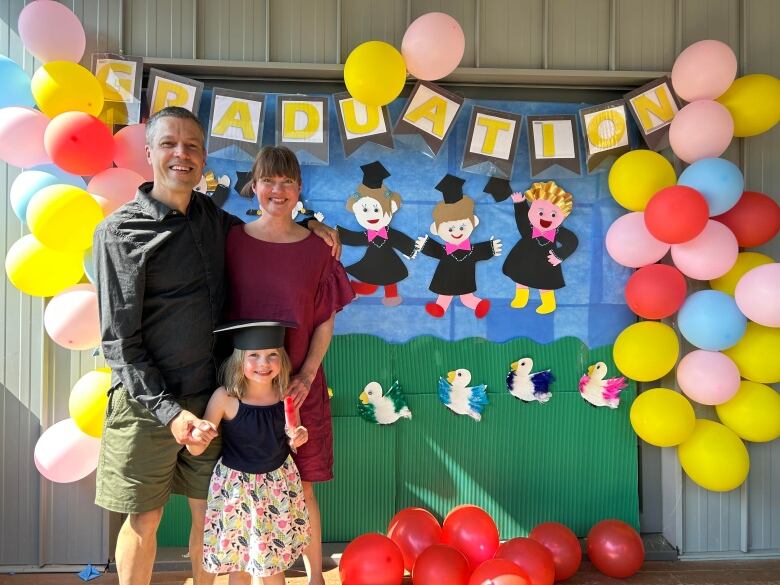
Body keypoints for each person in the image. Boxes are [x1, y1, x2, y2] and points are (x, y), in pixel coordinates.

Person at [92, 106, 339, 585]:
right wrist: (169, 412)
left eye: (192, 146)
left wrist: (312, 225)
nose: (181, 155)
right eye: (169, 144)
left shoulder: (212, 218)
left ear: (204, 156)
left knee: (212, 516)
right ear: (149, 153)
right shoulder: (120, 232)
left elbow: (270, 225)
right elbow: (119, 343)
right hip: (150, 405)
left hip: (212, 400)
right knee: (144, 519)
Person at [226, 145, 355, 585]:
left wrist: (306, 375)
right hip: (247, 396)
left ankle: (315, 577)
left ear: (299, 189)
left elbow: (324, 320)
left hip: (300, 389)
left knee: (303, 489)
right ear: (254, 186)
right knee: (248, 491)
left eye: (286, 182)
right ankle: (254, 572)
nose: (276, 190)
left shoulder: (318, 250)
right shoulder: (233, 242)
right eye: (268, 181)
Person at [189, 321, 310, 585]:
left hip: (276, 486)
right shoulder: (226, 398)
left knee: (272, 563)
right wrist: (199, 434)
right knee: (239, 562)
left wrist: (300, 435)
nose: (263, 363)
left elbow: (294, 438)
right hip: (236, 489)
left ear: (282, 359)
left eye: (272, 355)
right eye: (253, 355)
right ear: (239, 360)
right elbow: (196, 447)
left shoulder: (285, 396)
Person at [415, 174, 502, 319]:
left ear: (473, 222)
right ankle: (440, 308)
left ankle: (478, 305)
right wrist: (425, 244)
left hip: (465, 277)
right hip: (446, 278)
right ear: (436, 229)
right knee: (444, 296)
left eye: (462, 227)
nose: (457, 232)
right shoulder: (445, 250)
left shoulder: (471, 250)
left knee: (466, 297)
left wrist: (491, 247)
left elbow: (482, 251)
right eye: (450, 229)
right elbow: (435, 249)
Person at [337, 160, 417, 306]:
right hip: (372, 262)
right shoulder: (368, 235)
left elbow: (400, 239)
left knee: (391, 279)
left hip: (390, 261)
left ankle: (390, 295)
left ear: (391, 207)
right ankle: (353, 288)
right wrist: (338, 233)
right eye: (365, 210)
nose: (372, 215)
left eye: (376, 210)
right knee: (371, 284)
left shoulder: (389, 233)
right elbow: (355, 239)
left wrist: (411, 248)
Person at [502, 180, 578, 314]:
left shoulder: (558, 232)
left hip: (546, 261)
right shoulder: (529, 229)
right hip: (524, 256)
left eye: (554, 215)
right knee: (520, 277)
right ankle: (521, 297)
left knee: (545, 282)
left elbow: (572, 241)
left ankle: (549, 303)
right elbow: (522, 221)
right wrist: (520, 204)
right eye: (541, 213)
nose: (546, 218)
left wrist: (559, 255)